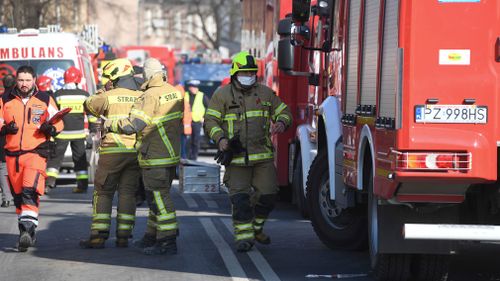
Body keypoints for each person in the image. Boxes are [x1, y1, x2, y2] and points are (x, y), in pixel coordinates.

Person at [204, 51, 292, 252]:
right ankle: (243, 238)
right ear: (235, 73)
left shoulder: (265, 93)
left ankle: (256, 227)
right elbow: (210, 121)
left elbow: (284, 111)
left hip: (262, 156)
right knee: (240, 200)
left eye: (252, 72)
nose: (249, 75)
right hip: (236, 158)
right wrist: (221, 139)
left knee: (268, 196)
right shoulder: (222, 94)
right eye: (245, 72)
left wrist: (281, 122)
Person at [104, 58, 183, 255]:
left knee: (158, 199)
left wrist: (109, 125)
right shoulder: (173, 91)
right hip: (170, 154)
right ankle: (151, 236)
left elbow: (134, 126)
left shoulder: (149, 96)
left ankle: (167, 240)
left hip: (154, 155)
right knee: (158, 196)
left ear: (147, 75)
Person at [79, 58, 142, 248]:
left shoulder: (108, 95)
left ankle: (98, 235)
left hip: (112, 151)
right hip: (134, 152)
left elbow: (88, 104)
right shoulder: (141, 95)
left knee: (103, 192)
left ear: (114, 76)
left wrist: (102, 90)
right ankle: (124, 235)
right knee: (127, 193)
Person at [0, 65, 63, 252]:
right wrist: (4, 129)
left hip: (36, 153)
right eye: (21, 80)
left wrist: (51, 129)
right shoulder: (5, 99)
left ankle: (27, 229)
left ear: (34, 80)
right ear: (16, 80)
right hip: (12, 156)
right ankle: (26, 233)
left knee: (29, 191)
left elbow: (58, 120)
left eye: (27, 80)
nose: (24, 84)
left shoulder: (45, 98)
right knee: (19, 198)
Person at [45, 66, 90, 193]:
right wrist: (92, 131)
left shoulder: (57, 95)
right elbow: (91, 115)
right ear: (77, 80)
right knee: (80, 160)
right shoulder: (84, 95)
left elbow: (51, 114)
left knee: (55, 159)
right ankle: (82, 186)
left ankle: (49, 184)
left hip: (61, 133)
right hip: (79, 134)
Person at [0, 74, 16, 207]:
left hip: (2, 136)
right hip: (17, 137)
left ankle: (6, 197)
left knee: (3, 167)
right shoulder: (18, 98)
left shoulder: (1, 99)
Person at [185, 79, 209, 161]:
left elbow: (209, 107)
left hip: (197, 122)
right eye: (193, 87)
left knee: (196, 141)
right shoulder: (185, 95)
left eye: (196, 87)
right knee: (187, 141)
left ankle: (193, 158)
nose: (195, 89)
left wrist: (204, 117)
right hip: (187, 122)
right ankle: (187, 158)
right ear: (189, 88)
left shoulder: (202, 95)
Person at [176, 84, 192, 159]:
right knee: (183, 150)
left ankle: (181, 168)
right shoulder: (185, 101)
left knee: (181, 151)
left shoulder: (179, 102)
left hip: (180, 129)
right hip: (184, 129)